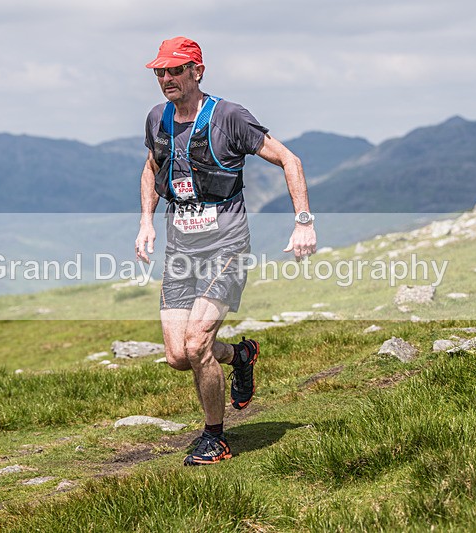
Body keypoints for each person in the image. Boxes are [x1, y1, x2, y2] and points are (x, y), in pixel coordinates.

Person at [135, 36, 317, 466]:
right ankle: (241, 355)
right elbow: (151, 167)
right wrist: (146, 220)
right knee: (179, 356)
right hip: (181, 249)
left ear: (197, 71)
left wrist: (303, 221)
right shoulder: (157, 118)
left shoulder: (230, 117)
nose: (166, 79)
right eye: (160, 71)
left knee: (198, 344)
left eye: (175, 70)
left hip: (226, 247)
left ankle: (214, 438)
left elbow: (290, 160)